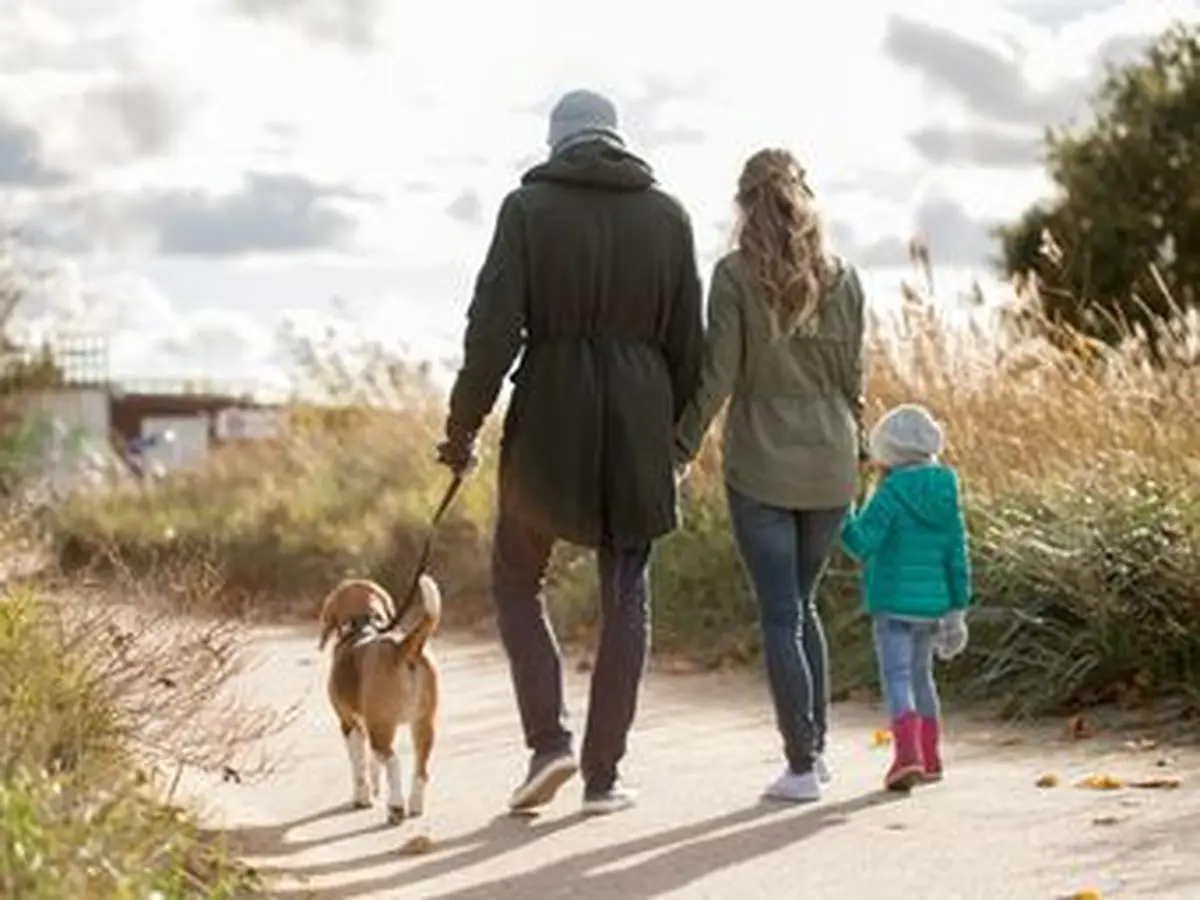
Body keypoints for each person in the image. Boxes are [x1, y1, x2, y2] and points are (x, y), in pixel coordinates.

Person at [436, 89, 704, 817]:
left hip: (550, 411)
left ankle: (548, 744)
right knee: (627, 591)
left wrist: (462, 428)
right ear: (617, 137)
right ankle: (602, 777)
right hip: (639, 419)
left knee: (517, 576)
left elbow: (492, 330)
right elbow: (690, 345)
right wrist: (675, 439)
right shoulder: (669, 216)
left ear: (556, 141)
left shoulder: (527, 210)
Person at [674, 148, 868, 803]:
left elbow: (718, 375)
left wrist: (680, 446)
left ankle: (802, 765)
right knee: (803, 605)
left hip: (761, 461)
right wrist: (859, 453)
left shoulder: (733, 276)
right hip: (831, 462)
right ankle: (818, 753)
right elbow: (854, 380)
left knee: (782, 612)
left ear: (743, 204)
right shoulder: (845, 277)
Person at [839, 403, 972, 791]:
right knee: (921, 676)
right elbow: (957, 555)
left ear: (887, 453)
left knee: (897, 677)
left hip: (893, 603)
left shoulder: (890, 493)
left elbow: (861, 544)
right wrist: (957, 612)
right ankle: (930, 757)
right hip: (933, 607)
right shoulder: (946, 492)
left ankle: (906, 755)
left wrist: (843, 511)